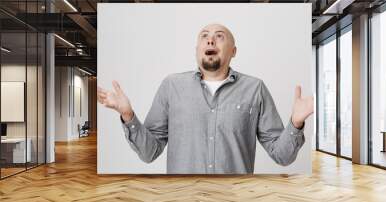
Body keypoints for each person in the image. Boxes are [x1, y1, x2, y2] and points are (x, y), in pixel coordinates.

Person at [97, 23, 314, 174]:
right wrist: (128, 116)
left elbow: (282, 156)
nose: (210, 39)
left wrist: (296, 123)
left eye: (220, 36)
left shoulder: (254, 88)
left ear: (234, 50)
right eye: (204, 36)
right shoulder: (171, 86)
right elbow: (149, 152)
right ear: (197, 50)